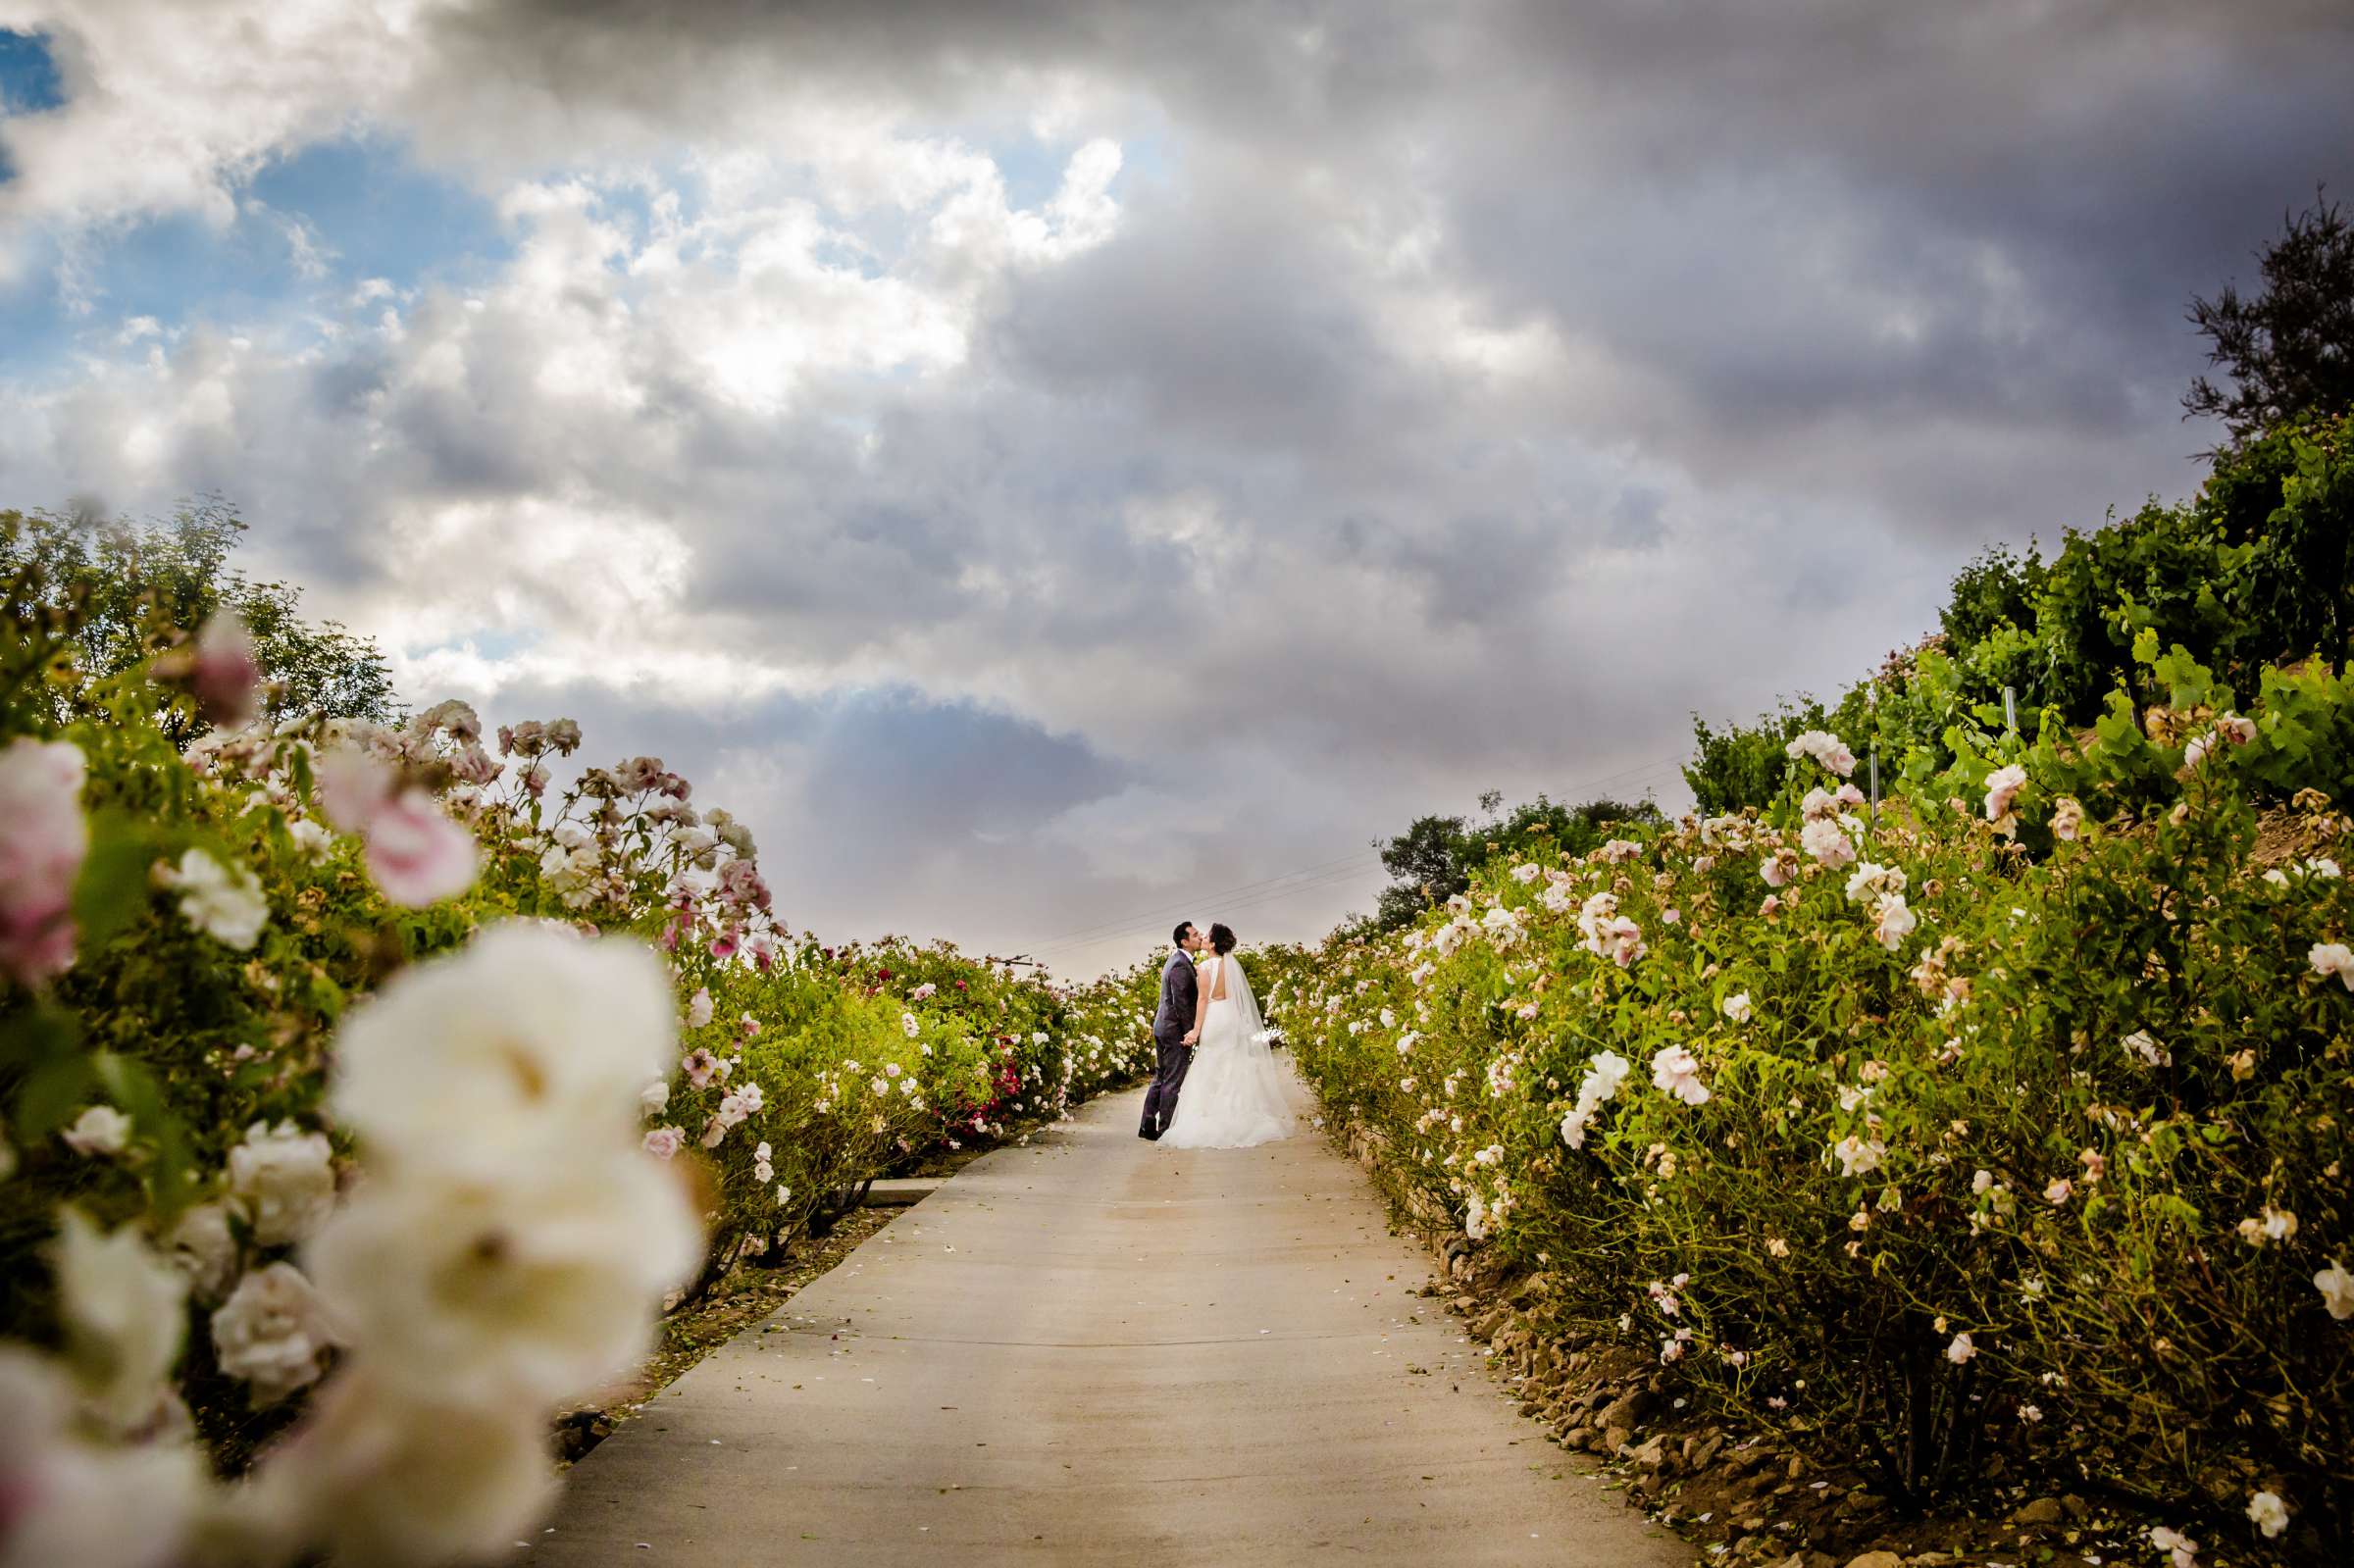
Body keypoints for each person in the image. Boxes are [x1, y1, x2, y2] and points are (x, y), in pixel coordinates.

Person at [1159, 923, 1294, 1149]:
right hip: (1230, 1018)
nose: (1203, 937)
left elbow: (1203, 1000)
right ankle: (1239, 1115)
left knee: (1210, 1063)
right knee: (1232, 1063)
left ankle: (1212, 1116)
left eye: (1207, 936)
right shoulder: (1231, 967)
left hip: (1214, 1019)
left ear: (1212, 944)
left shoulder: (1204, 968)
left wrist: (1196, 1029)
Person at [1139, 921, 1206, 1138]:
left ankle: (1147, 1126)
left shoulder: (1175, 960)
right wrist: (1191, 1032)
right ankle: (1165, 1130)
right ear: (1185, 941)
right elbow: (1181, 1003)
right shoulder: (1179, 964)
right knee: (1172, 1080)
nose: (1200, 936)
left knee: (1161, 1077)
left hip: (1163, 1026)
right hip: (1173, 1030)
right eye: (1195, 935)